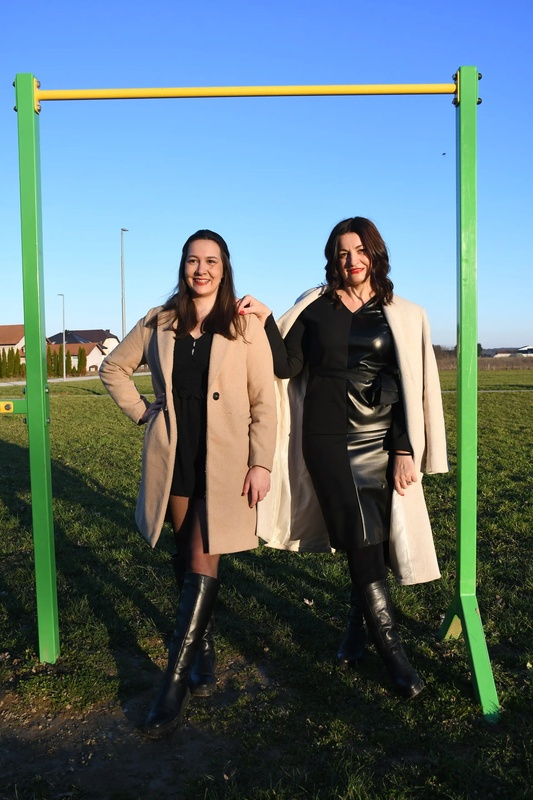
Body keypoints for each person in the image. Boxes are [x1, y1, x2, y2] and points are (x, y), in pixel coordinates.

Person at [237, 216, 448, 699]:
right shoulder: (315, 307)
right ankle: (394, 657)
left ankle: (354, 638)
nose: (351, 260)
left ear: (375, 254)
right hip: (327, 437)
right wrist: (267, 319)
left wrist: (403, 448)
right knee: (359, 536)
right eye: (342, 252)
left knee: (370, 539)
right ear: (332, 259)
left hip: (380, 439)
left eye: (359, 251)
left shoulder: (402, 313)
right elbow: (287, 366)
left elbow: (408, 385)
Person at [100, 230, 276, 737]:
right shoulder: (159, 321)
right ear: (183, 266)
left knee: (202, 560)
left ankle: (171, 688)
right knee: (185, 557)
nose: (202, 269)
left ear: (224, 268)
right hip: (174, 459)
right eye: (193, 260)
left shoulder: (244, 326)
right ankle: (204, 653)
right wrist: (143, 412)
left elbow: (265, 401)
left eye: (211, 261)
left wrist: (261, 463)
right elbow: (113, 368)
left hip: (225, 463)